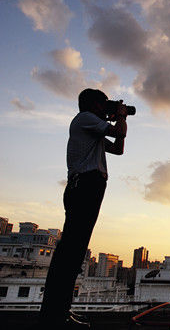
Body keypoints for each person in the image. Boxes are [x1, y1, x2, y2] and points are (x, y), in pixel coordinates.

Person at [38, 89, 128, 328]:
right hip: (84, 185)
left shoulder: (94, 129)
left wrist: (121, 119)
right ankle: (53, 315)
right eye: (104, 103)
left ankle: (59, 312)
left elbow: (119, 148)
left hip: (91, 186)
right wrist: (120, 116)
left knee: (75, 252)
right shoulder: (85, 118)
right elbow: (118, 131)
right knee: (70, 252)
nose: (106, 107)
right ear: (94, 104)